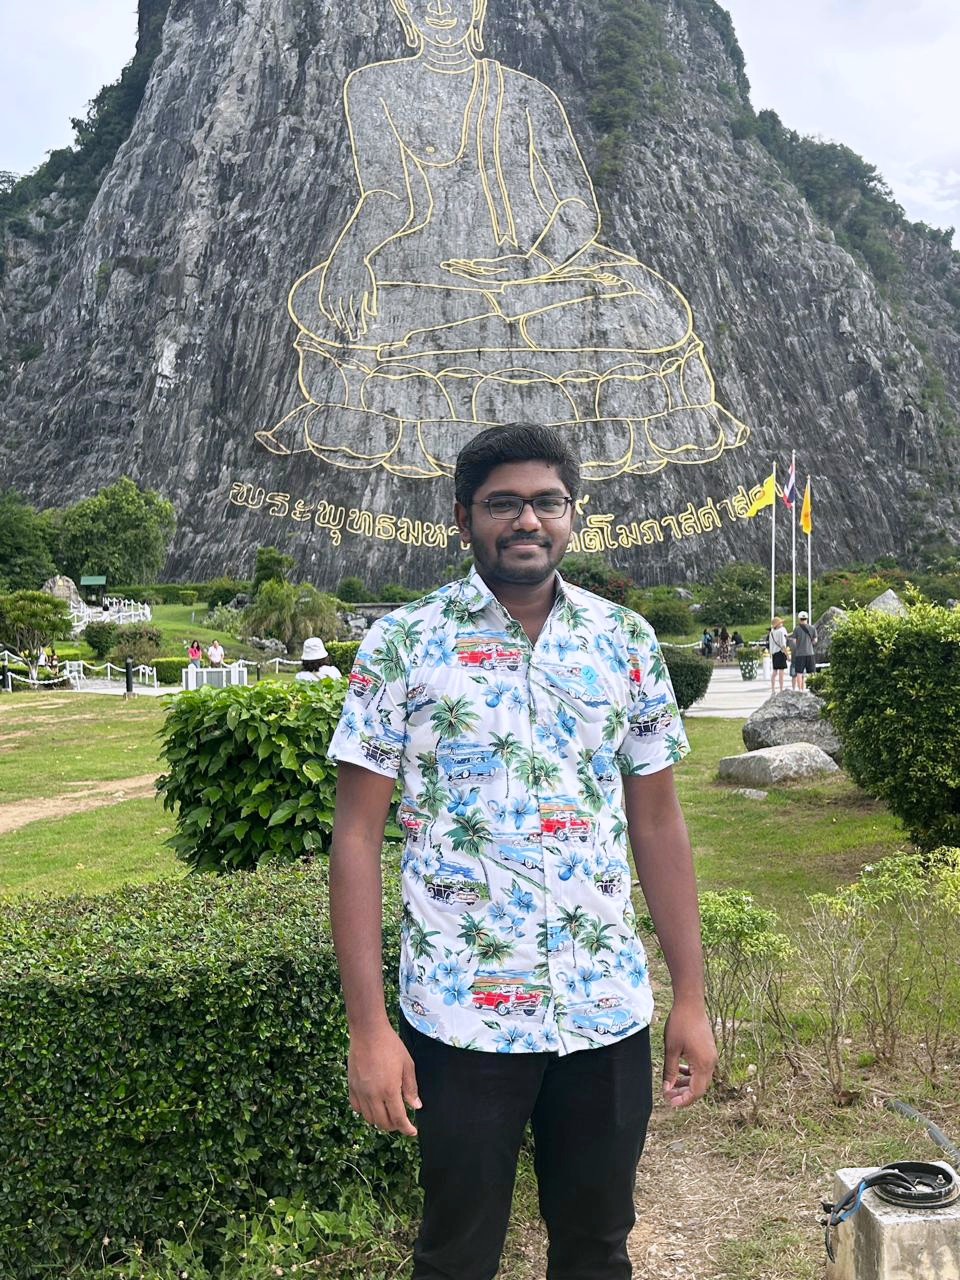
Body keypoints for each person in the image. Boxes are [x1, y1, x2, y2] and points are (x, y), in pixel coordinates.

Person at [327, 423, 717, 1280]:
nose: (527, 520)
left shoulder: (624, 641)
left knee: (598, 1247)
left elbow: (658, 824)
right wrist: (369, 1028)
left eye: (547, 502)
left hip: (603, 1009)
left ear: (573, 514)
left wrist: (690, 997)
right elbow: (354, 835)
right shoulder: (404, 644)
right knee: (456, 1254)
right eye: (502, 504)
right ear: (463, 518)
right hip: (461, 1017)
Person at [256, 0, 747, 480]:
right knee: (327, 303)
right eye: (424, 3)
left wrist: (533, 266)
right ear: (405, 11)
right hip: (429, 272)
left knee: (649, 310)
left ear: (478, 9)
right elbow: (388, 195)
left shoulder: (527, 94)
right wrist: (350, 256)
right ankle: (487, 342)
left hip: (542, 272)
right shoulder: (373, 86)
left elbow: (578, 209)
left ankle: (477, 343)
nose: (440, 11)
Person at [789, 611, 817, 691]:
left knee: (799, 673)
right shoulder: (812, 628)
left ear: (799, 619)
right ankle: (813, 688)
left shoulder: (797, 629)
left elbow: (794, 641)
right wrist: (810, 643)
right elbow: (815, 640)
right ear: (807, 618)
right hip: (810, 653)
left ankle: (800, 690)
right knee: (812, 672)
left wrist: (799, 645)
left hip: (800, 654)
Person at [768, 615, 789, 694]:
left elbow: (770, 644)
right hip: (780, 652)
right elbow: (783, 644)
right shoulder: (781, 631)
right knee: (781, 671)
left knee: (774, 671)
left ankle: (773, 689)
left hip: (774, 653)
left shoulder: (771, 633)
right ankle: (781, 688)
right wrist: (787, 655)